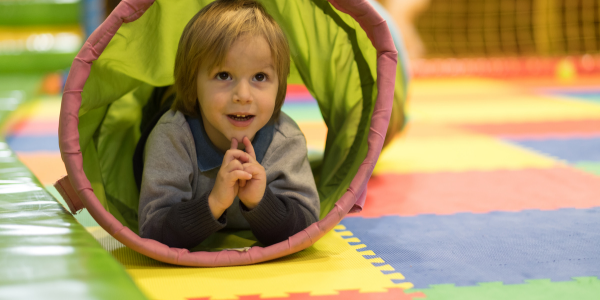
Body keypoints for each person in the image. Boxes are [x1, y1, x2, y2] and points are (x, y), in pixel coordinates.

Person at [136, 0, 320, 249]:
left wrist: (261, 202)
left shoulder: (285, 139)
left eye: (260, 77)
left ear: (280, 86)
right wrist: (213, 203)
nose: (243, 95)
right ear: (195, 82)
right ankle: (168, 91)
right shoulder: (173, 136)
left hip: (207, 106)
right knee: (166, 104)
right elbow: (152, 228)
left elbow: (308, 224)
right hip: (178, 114)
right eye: (223, 75)